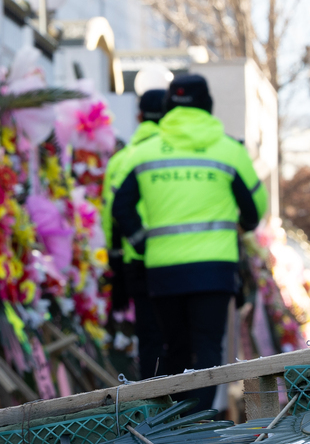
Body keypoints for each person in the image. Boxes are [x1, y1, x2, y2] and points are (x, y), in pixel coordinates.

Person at [111, 74, 267, 409]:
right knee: (208, 347)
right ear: (207, 104)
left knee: (173, 347)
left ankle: (175, 422)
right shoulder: (230, 150)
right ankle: (199, 427)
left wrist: (142, 243)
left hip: (163, 270)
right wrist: (240, 227)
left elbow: (120, 206)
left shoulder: (145, 152)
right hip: (215, 269)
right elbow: (256, 209)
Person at [102, 89, 168, 380]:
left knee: (148, 336)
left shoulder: (122, 159)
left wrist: (116, 257)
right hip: (173, 256)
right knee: (176, 337)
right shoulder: (172, 154)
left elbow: (110, 213)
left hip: (136, 259)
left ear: (139, 116)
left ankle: (153, 405)